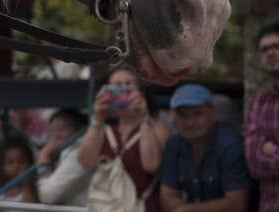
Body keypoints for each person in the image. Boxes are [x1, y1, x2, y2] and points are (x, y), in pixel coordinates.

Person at [79, 64, 172, 210]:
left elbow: (151, 165)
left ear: (141, 91)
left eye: (129, 84)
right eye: (116, 86)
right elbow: (86, 162)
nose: (123, 90)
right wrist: (98, 117)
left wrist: (144, 119)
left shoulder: (158, 127)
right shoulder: (103, 129)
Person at [159, 83, 249, 211]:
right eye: (182, 115)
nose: (190, 123)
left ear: (213, 114)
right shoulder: (174, 143)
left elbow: (236, 205)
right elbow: (166, 196)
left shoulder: (230, 145)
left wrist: (188, 210)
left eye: (197, 114)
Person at [245, 22, 279, 212]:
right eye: (264, 49)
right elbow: (253, 163)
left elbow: (262, 157)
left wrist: (270, 148)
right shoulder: (259, 103)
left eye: (277, 47)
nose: (270, 53)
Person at [38, 107, 94, 205]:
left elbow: (47, 195)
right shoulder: (65, 153)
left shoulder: (78, 153)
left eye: (61, 129)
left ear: (78, 129)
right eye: (52, 131)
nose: (55, 136)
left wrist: (43, 160)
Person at [0, 138, 39, 206]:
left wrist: (26, 184)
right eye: (10, 162)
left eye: (21, 161)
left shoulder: (32, 188)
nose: (16, 166)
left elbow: (32, 207)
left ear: (29, 164)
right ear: (3, 167)